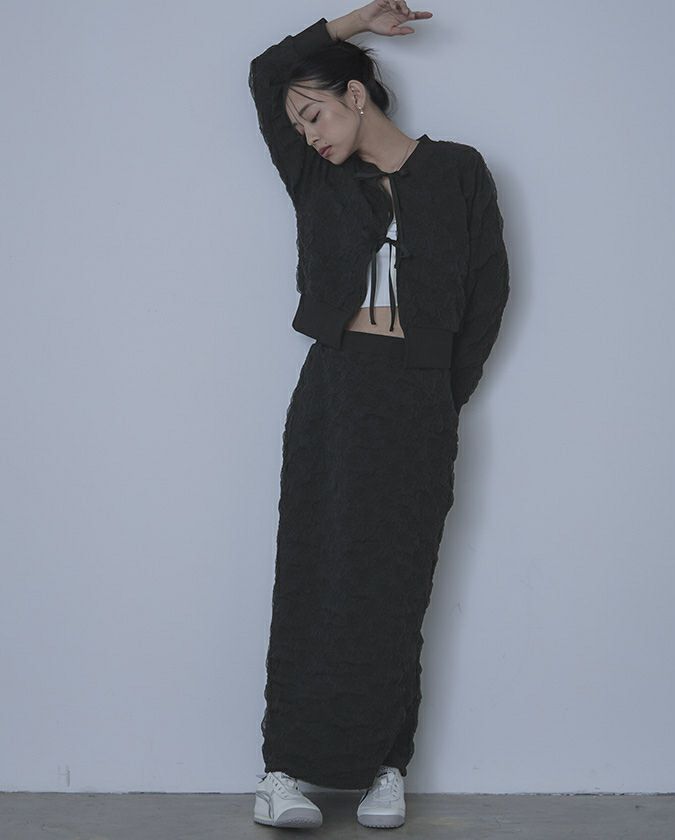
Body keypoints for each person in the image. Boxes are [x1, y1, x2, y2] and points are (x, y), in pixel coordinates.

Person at [248, 0, 510, 829]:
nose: (308, 134)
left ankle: (384, 768)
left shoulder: (459, 171)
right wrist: (353, 21)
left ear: (357, 96)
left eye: (315, 114)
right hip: (334, 389)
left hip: (417, 397)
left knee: (397, 582)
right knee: (312, 570)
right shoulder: (316, 179)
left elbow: (490, 291)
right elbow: (265, 73)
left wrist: (441, 389)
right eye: (298, 123)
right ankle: (283, 771)